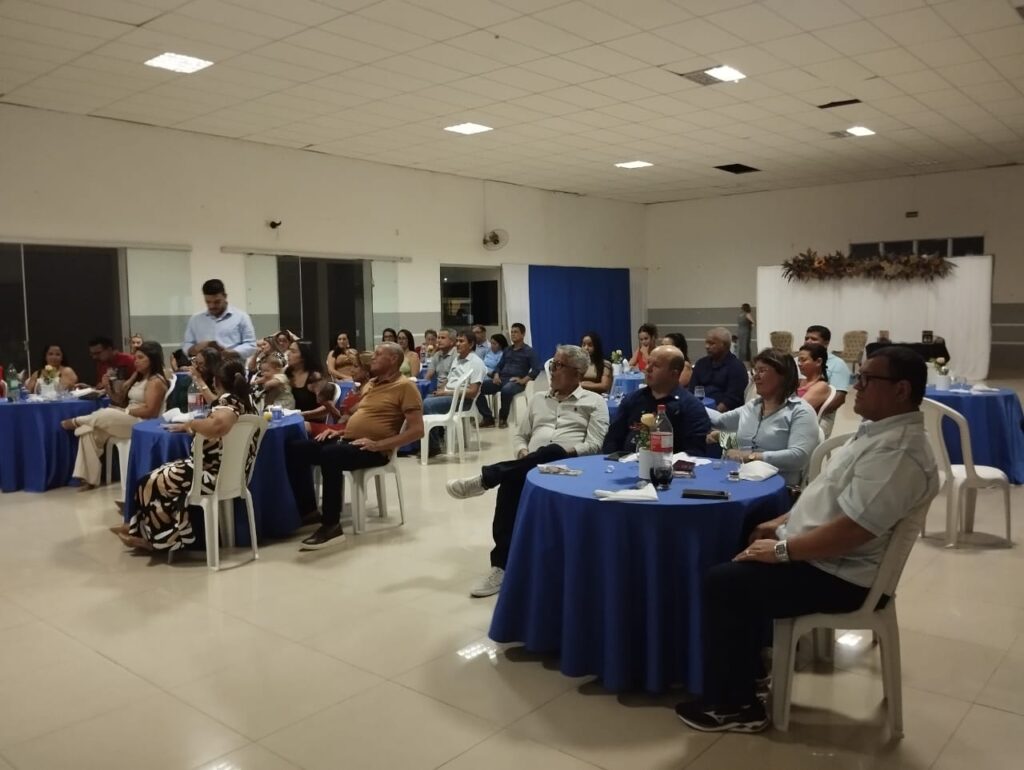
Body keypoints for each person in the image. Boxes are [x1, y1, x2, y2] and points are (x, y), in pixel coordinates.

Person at [675, 347, 939, 733]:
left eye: (867, 379)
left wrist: (782, 550)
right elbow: (829, 498)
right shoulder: (879, 432)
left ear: (901, 390)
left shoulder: (899, 452)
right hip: (821, 555)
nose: (856, 386)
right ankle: (746, 669)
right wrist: (780, 522)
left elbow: (854, 530)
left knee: (724, 583)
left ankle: (735, 706)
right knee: (738, 546)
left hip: (841, 576)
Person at [447, 345, 609, 597]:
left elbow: (595, 444)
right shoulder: (537, 400)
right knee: (511, 482)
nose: (551, 370)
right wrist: (523, 452)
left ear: (577, 373)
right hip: (531, 468)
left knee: (550, 450)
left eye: (559, 366)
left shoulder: (594, 402)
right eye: (552, 364)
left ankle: (487, 478)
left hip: (571, 469)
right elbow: (520, 436)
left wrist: (562, 451)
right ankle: (501, 566)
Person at [285, 343, 424, 550]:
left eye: (378, 354)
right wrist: (340, 432)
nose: (372, 357)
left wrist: (378, 445)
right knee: (296, 449)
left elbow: (417, 430)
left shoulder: (405, 387)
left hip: (374, 450)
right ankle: (308, 511)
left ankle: (331, 526)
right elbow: (362, 417)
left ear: (393, 359)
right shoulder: (372, 384)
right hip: (349, 441)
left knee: (331, 454)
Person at [115, 359, 258, 553]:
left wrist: (193, 424)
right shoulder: (246, 402)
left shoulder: (228, 403)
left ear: (217, 382)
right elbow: (219, 408)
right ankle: (139, 530)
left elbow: (218, 425)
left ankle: (162, 540)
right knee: (158, 475)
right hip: (233, 473)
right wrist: (199, 384)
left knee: (150, 483)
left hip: (211, 475)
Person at [62, 341, 168, 492]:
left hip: (142, 422)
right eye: (135, 358)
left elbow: (151, 411)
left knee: (106, 413)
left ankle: (78, 421)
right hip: (127, 416)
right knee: (88, 431)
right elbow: (119, 400)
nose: (136, 361)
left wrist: (125, 412)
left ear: (152, 359)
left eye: (140, 358)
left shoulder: (155, 381)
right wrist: (107, 386)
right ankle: (89, 479)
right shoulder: (138, 377)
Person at [707, 349, 820, 486]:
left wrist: (752, 457)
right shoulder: (753, 406)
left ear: (783, 375)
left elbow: (798, 457)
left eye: (762, 371)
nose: (756, 377)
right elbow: (720, 421)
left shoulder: (800, 411)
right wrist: (689, 401)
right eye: (755, 371)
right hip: (741, 479)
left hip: (778, 486)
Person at [603, 345, 710, 456]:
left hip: (670, 464)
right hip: (627, 463)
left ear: (674, 374)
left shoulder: (691, 407)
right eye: (648, 363)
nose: (647, 368)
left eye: (656, 366)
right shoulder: (633, 399)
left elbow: (695, 453)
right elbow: (612, 441)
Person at [422, 329, 486, 455]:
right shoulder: (457, 359)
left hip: (463, 400)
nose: (457, 344)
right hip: (449, 395)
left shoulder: (476, 363)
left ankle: (433, 446)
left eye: (461, 341)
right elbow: (449, 380)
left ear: (471, 344)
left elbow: (473, 392)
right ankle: (421, 443)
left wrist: (446, 393)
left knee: (426, 404)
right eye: (457, 341)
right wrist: (441, 390)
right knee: (419, 399)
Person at [475, 322, 541, 428]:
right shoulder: (507, 350)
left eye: (516, 332)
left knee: (506, 390)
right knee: (477, 388)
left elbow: (537, 368)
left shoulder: (529, 351)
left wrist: (523, 380)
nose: (513, 334)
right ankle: (488, 418)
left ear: (523, 334)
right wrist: (496, 374)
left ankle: (503, 418)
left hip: (516, 382)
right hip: (501, 379)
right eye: (512, 332)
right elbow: (499, 365)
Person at [182, 279, 257, 360]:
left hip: (232, 365)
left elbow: (251, 345)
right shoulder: (195, 319)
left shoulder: (241, 317)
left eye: (217, 302)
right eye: (208, 302)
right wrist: (197, 348)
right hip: (204, 366)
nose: (212, 306)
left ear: (225, 296)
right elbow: (186, 345)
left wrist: (231, 352)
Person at [804, 325, 852, 436]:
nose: (808, 341)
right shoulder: (797, 361)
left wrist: (807, 415)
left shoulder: (837, 364)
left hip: (821, 417)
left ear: (826, 343)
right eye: (806, 338)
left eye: (814, 339)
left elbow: (839, 398)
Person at [689, 327, 749, 412]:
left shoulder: (736, 367)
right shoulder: (701, 363)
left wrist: (714, 415)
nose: (707, 346)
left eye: (712, 343)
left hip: (724, 413)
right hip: (698, 409)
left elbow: (732, 399)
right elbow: (692, 390)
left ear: (724, 345)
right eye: (706, 343)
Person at [285, 340, 323, 415]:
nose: (288, 354)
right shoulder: (286, 373)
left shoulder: (314, 377)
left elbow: (326, 408)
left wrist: (302, 415)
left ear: (304, 356)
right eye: (289, 350)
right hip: (287, 418)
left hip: (308, 419)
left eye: (293, 351)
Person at [796, 343, 831, 413]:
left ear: (818, 362)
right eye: (799, 360)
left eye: (803, 360)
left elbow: (798, 410)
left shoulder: (821, 386)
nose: (799, 364)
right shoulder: (801, 381)